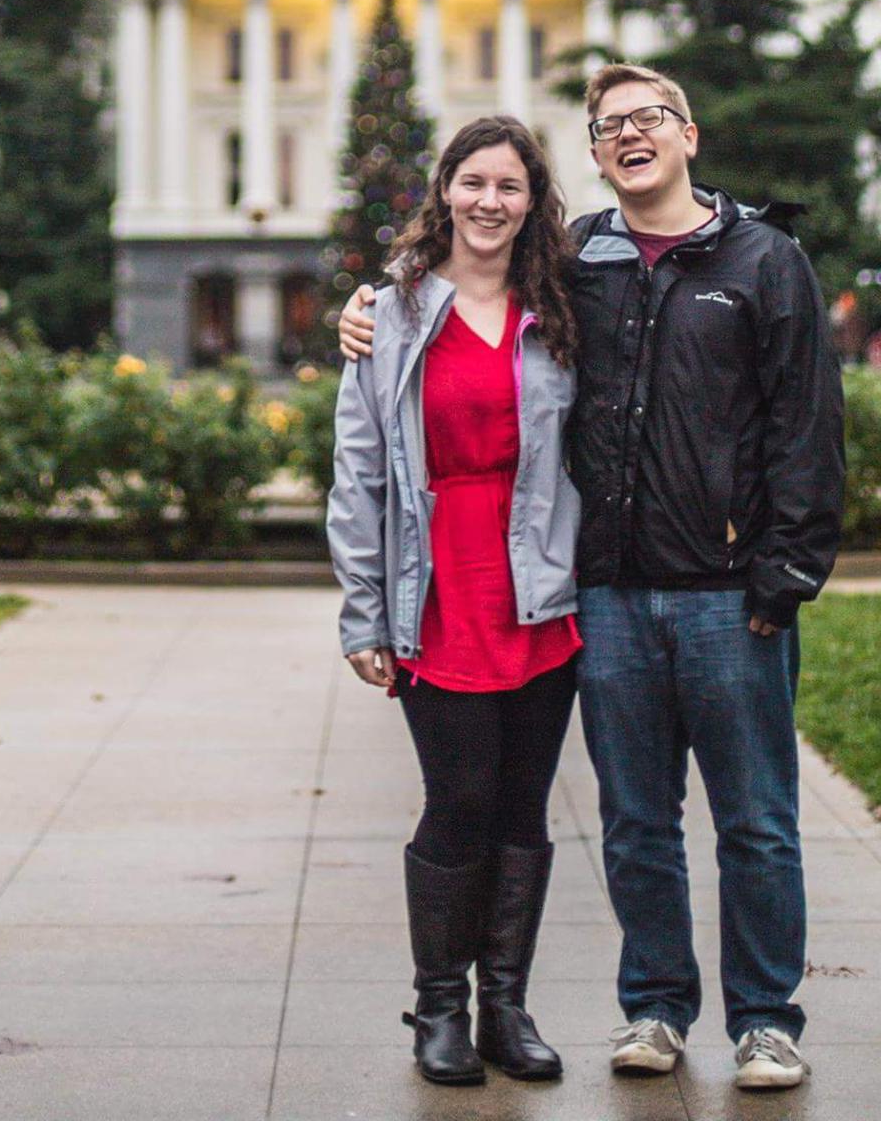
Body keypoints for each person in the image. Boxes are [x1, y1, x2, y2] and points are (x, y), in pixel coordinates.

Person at [341, 61, 845, 1093]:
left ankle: (760, 1019)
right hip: (596, 590)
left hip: (711, 591)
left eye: (649, 115)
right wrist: (365, 306)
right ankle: (647, 1006)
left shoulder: (757, 258)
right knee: (628, 818)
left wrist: (783, 569)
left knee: (750, 815)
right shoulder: (578, 268)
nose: (629, 133)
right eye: (608, 122)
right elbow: (388, 413)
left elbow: (805, 425)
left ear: (687, 132)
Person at [328, 116, 582, 1086]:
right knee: (459, 797)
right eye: (471, 181)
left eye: (508, 185)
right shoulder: (389, 311)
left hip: (539, 588)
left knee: (522, 804)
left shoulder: (559, 302)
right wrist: (361, 610)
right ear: (444, 191)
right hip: (433, 587)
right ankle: (437, 1006)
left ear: (532, 200)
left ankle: (503, 1008)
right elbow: (357, 472)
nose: (488, 201)